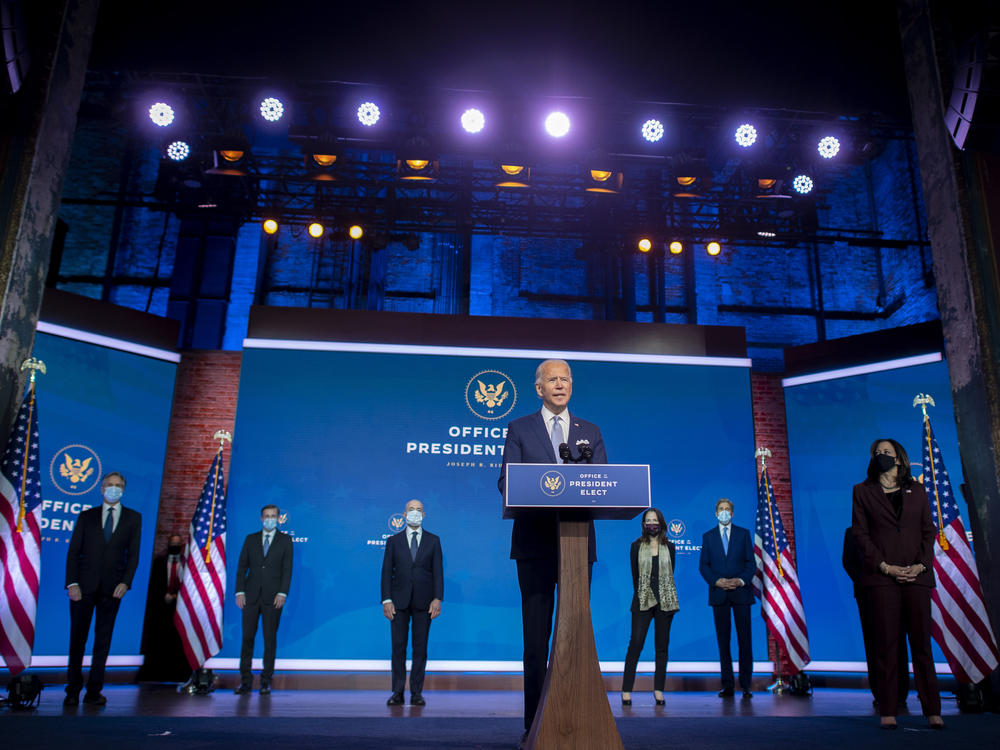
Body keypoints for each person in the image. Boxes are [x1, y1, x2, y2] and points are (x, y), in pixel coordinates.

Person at [498, 358, 607, 743]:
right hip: (536, 545)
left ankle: (577, 717)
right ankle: (535, 724)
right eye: (552, 379)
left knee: (576, 635)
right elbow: (506, 480)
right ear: (539, 388)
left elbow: (605, 484)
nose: (560, 385)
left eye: (565, 379)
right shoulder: (520, 429)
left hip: (578, 546)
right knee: (537, 639)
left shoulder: (589, 431)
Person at [851, 438, 943, 730]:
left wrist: (920, 565)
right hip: (882, 579)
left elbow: (929, 532)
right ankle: (888, 709)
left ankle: (933, 710)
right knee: (887, 646)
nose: (881, 456)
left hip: (917, 577)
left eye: (886, 452)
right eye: (876, 453)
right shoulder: (862, 491)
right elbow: (861, 535)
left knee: (921, 647)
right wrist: (886, 567)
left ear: (900, 460)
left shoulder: (917, 491)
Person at [63, 471, 142, 706]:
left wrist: (125, 582)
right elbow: (73, 552)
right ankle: (72, 690)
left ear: (123, 490)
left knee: (103, 641)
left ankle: (94, 691)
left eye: (118, 485)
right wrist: (72, 583)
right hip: (82, 588)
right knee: (77, 639)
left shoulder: (133, 518)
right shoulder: (86, 517)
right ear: (101, 488)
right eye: (110, 485)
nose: (114, 489)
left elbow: (134, 555)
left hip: (112, 589)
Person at [380, 499, 443, 706]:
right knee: (398, 647)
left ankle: (416, 692)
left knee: (420, 648)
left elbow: (438, 573)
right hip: (398, 602)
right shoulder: (393, 541)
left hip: (424, 602)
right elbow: (386, 572)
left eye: (418, 510)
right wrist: (386, 599)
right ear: (404, 514)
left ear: (424, 515)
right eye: (411, 510)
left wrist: (437, 598)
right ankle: (397, 692)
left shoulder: (434, 540)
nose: (414, 513)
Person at [842, 526, 909, 709]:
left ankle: (901, 692)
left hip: (894, 591)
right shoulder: (852, 532)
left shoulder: (891, 528)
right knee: (873, 643)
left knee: (897, 642)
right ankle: (880, 692)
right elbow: (848, 562)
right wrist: (866, 582)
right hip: (866, 594)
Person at [621, 507, 679, 706]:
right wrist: (643, 594)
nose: (651, 523)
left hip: (665, 601)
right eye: (648, 520)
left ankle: (659, 690)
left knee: (661, 647)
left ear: (660, 523)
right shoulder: (635, 546)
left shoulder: (670, 547)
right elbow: (635, 577)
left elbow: (671, 573)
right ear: (644, 524)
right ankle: (626, 690)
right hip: (643, 600)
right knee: (635, 644)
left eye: (655, 520)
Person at [698, 497, 755, 699]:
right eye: (721, 509)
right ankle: (727, 685)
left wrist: (740, 580)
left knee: (745, 641)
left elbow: (751, 564)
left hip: (741, 594)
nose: (724, 512)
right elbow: (704, 565)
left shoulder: (743, 534)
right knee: (724, 641)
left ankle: (747, 685)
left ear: (732, 513)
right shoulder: (708, 537)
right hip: (719, 594)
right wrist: (717, 581)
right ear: (716, 513)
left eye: (727, 509)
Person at [234, 504, 293, 695]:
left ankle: (266, 681)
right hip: (250, 597)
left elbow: (287, 569)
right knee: (247, 638)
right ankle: (245, 681)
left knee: (270, 640)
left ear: (278, 518)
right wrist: (240, 591)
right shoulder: (250, 539)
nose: (270, 518)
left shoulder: (286, 540)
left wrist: (282, 593)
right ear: (261, 518)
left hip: (273, 598)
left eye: (273, 516)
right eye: (266, 515)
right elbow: (242, 567)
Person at [138, 532, 190, 682]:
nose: (175, 546)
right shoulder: (160, 562)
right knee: (159, 642)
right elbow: (153, 585)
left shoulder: (186, 564)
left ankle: (179, 674)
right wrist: (164, 596)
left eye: (178, 543)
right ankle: (156, 674)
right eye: (173, 543)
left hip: (181, 609)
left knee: (178, 642)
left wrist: (177, 597)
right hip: (161, 609)